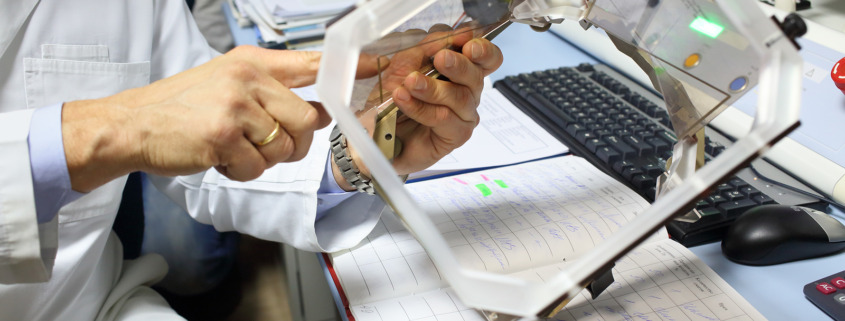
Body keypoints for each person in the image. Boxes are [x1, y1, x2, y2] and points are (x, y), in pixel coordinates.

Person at [0, 1, 504, 321]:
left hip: (93, 306)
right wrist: (97, 135)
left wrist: (360, 155)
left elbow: (210, 140)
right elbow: (147, 122)